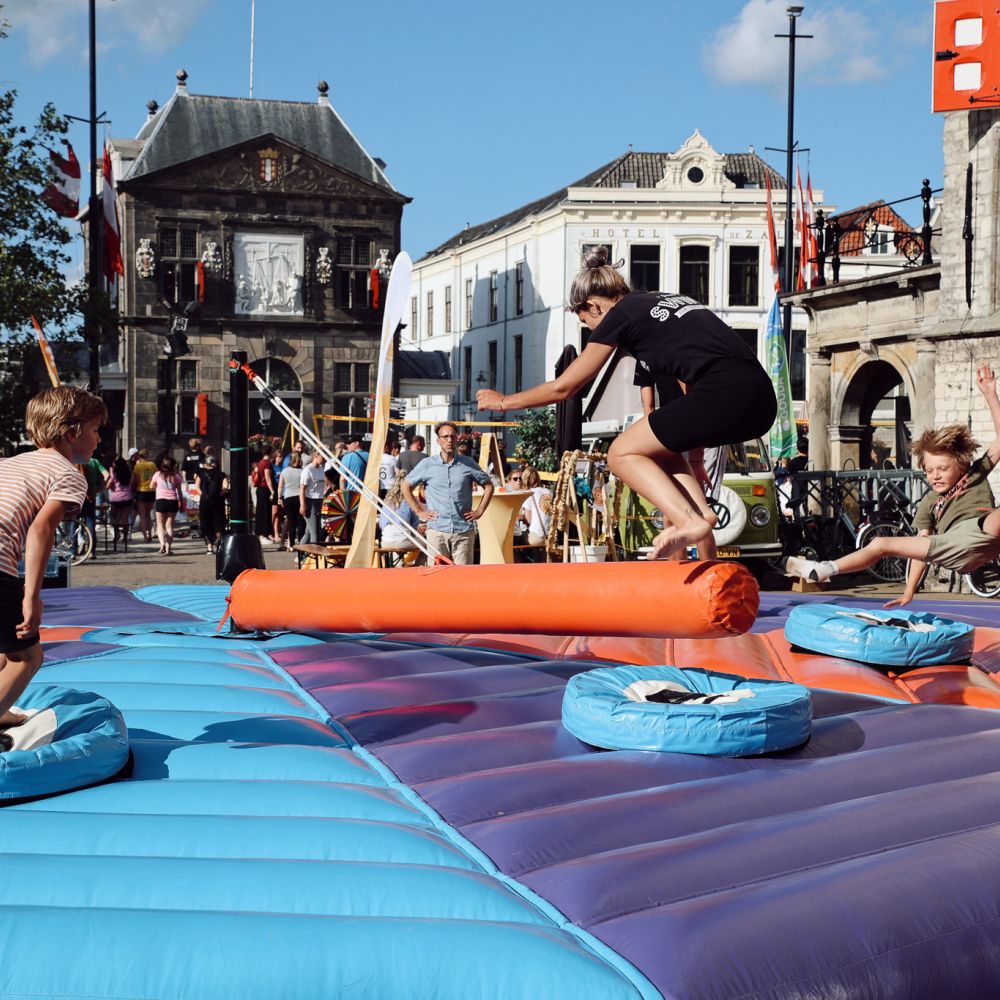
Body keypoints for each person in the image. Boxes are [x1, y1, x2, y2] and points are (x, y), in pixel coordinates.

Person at [476, 248, 776, 560]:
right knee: (660, 448)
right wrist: (697, 462)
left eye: (586, 323)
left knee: (621, 452)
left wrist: (504, 401)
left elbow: (566, 386)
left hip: (724, 392)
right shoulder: (664, 308)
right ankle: (704, 546)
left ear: (593, 306)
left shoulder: (619, 315)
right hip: (759, 400)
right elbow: (684, 403)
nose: (593, 332)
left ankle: (691, 521)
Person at [786, 363, 1000, 607]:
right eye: (929, 471)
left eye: (942, 469)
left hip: (985, 534)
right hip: (952, 547)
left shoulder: (974, 474)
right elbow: (920, 550)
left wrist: (990, 394)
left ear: (961, 466)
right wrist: (909, 590)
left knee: (989, 522)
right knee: (879, 543)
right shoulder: (930, 502)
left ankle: (825, 568)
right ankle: (826, 568)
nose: (935, 476)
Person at [0, 386, 104, 727]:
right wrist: (32, 596)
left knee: (6, 650)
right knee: (27, 657)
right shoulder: (68, 473)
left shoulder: (9, 463)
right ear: (72, 432)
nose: (99, 440)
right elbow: (41, 530)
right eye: (95, 430)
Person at [401, 421, 494, 565]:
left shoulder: (468, 463)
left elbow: (489, 486)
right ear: (438, 440)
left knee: (463, 579)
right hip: (437, 531)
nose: (449, 440)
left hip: (463, 530)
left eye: (452, 436)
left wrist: (480, 511)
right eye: (445, 437)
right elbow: (405, 486)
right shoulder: (427, 464)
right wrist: (419, 511)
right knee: (437, 578)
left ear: (457, 439)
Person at [378, 472, 424, 563]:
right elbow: (414, 528)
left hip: (385, 541)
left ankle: (398, 566)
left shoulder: (387, 501)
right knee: (428, 544)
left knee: (399, 540)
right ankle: (418, 564)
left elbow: (381, 524)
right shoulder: (411, 501)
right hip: (402, 540)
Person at [151, 454, 184, 555]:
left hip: (161, 501)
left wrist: (158, 486)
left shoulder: (157, 474)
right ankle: (169, 547)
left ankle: (162, 545)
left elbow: (151, 486)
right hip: (172, 501)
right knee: (169, 526)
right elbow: (179, 491)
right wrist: (181, 503)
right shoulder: (176, 476)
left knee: (160, 525)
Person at [195, 455, 228, 554]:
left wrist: (203, 495)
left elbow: (197, 486)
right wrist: (220, 494)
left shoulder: (201, 474)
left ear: (206, 464)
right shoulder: (222, 474)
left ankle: (209, 546)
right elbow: (225, 487)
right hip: (218, 501)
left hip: (205, 501)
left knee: (206, 523)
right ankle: (219, 545)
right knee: (218, 522)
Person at [105, 454, 137, 545]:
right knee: (125, 518)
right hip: (127, 498)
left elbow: (108, 486)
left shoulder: (114, 475)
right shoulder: (130, 474)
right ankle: (125, 536)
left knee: (113, 517)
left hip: (115, 499)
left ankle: (116, 533)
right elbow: (133, 485)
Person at [299, 449, 327, 544]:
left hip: (318, 501)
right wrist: (303, 505)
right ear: (316, 456)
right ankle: (313, 556)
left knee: (309, 532)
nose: (324, 459)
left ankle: (301, 554)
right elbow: (302, 488)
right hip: (310, 501)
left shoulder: (321, 469)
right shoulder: (308, 470)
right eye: (322, 456)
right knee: (315, 533)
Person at [519, 465, 553, 545]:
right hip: (551, 536)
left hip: (536, 537)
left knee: (517, 537)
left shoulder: (529, 493)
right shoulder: (549, 492)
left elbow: (528, 519)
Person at [278, 452, 304, 550]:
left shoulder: (284, 471)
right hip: (299, 497)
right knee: (301, 522)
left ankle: (292, 544)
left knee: (291, 522)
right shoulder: (303, 471)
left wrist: (279, 498)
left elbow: (280, 486)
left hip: (288, 497)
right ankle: (301, 544)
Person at [253, 442, 277, 545]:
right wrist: (272, 491)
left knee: (263, 511)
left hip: (261, 489)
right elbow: (267, 478)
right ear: (270, 452)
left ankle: (265, 534)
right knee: (264, 512)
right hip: (264, 489)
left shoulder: (260, 462)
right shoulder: (266, 464)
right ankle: (262, 534)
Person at [132, 447, 157, 542]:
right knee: (148, 515)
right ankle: (150, 534)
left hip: (141, 491)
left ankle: (145, 537)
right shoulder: (153, 465)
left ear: (139, 456)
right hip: (151, 491)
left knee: (142, 516)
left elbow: (136, 481)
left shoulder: (137, 467)